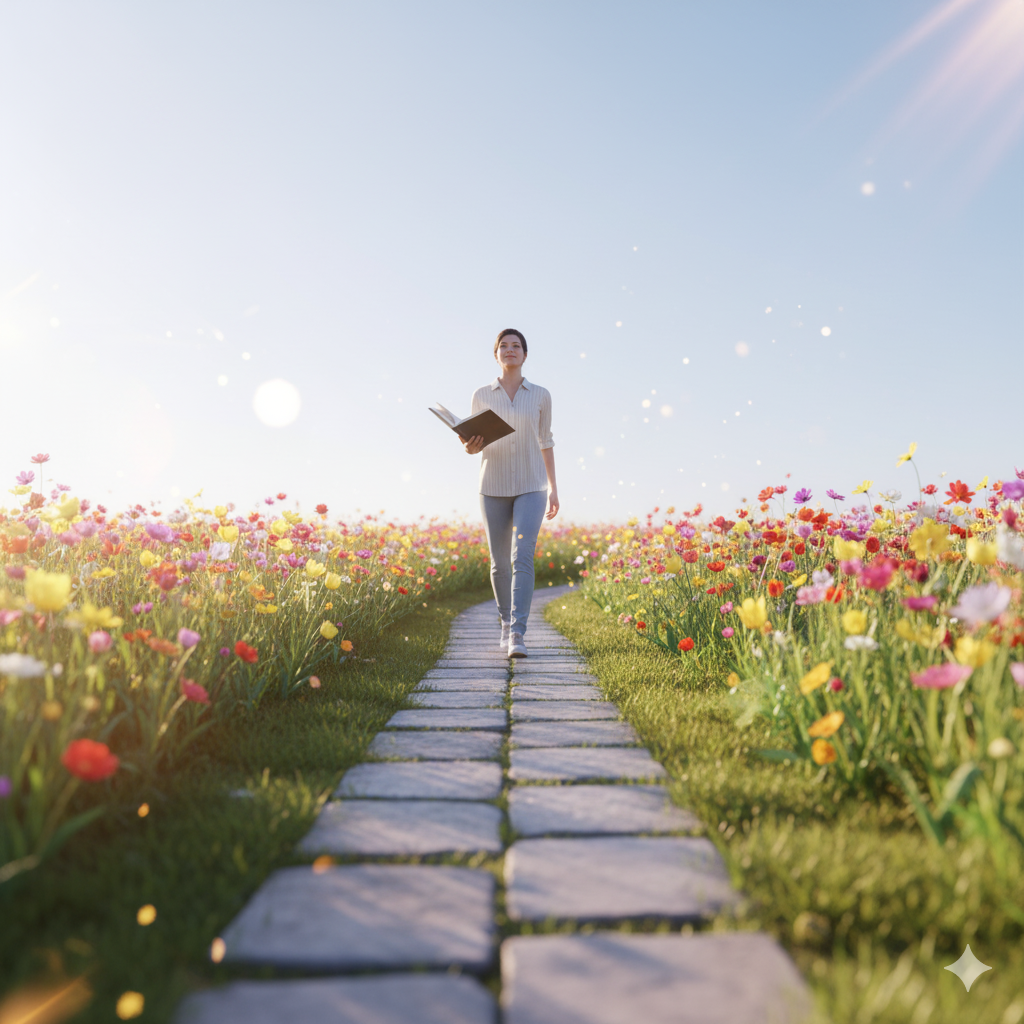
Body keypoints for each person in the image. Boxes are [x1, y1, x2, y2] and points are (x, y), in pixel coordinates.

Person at [463, 328, 558, 657]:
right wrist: (470, 447)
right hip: (493, 485)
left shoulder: (541, 394)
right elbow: (474, 445)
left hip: (533, 486)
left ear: (525, 355)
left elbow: (546, 442)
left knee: (522, 556)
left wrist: (554, 489)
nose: (510, 350)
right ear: (496, 355)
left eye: (516, 346)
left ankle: (518, 632)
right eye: (503, 346)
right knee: (499, 563)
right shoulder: (481, 394)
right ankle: (505, 622)